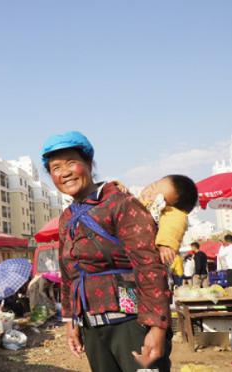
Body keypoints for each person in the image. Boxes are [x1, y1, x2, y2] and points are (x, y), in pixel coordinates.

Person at [42, 131, 172, 371]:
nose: (65, 172)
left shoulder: (120, 203)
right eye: (56, 167)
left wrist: (157, 326)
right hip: (92, 327)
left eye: (72, 162)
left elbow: (149, 265)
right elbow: (68, 275)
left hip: (133, 324)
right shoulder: (66, 218)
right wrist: (72, 322)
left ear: (89, 164)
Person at [116, 175, 198, 265]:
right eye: (153, 186)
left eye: (158, 196)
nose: (150, 193)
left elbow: (174, 223)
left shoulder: (168, 213)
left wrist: (166, 244)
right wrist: (118, 188)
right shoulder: (137, 196)